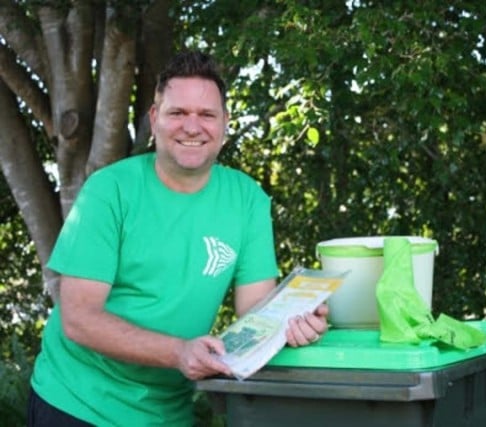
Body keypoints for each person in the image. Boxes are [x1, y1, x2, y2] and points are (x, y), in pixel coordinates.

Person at [28, 50, 329, 427]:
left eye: (206, 115)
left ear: (225, 125)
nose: (192, 126)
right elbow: (79, 319)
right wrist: (178, 353)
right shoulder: (110, 190)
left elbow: (255, 311)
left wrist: (290, 324)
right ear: (155, 120)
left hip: (168, 413)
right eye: (177, 113)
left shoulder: (246, 199)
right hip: (77, 403)